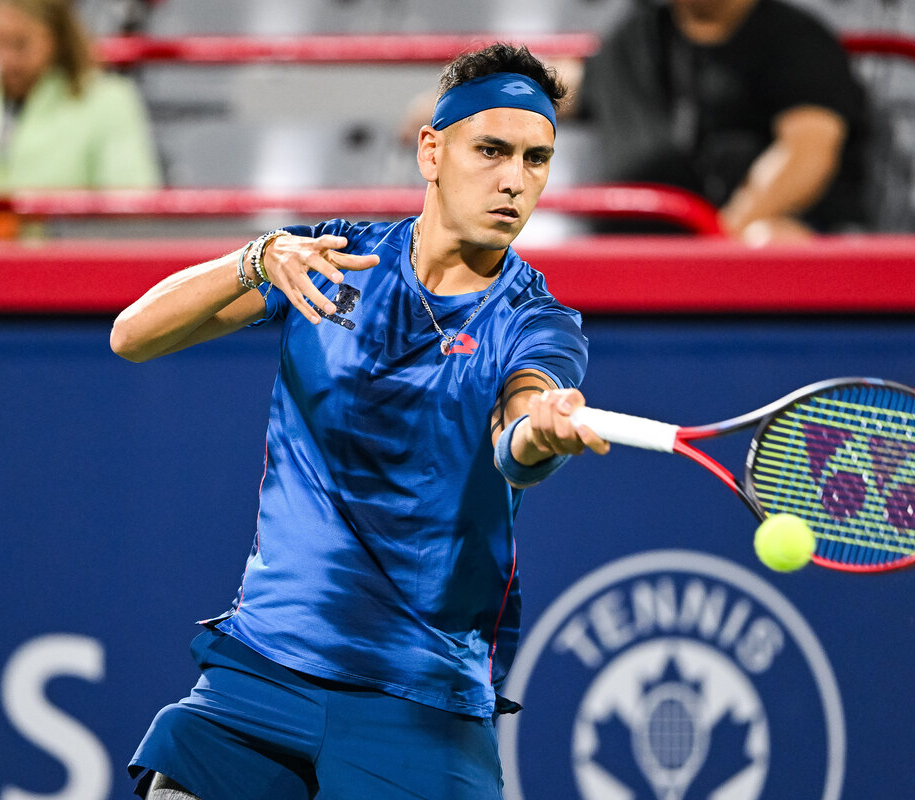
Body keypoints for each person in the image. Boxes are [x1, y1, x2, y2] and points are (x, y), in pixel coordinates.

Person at [110, 43, 609, 800]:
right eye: (492, 150)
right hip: (264, 666)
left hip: (419, 697)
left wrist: (538, 433)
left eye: (535, 159)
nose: (515, 179)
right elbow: (133, 336)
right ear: (431, 152)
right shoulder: (334, 263)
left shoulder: (535, 323)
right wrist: (257, 257)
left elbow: (518, 437)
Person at [573, 0, 872, 243]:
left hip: (773, 238)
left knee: (769, 242)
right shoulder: (636, 38)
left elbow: (807, 155)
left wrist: (718, 241)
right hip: (652, 250)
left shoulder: (797, 41)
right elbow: (568, 88)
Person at [0, 0, 161, 244]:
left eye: (21, 43)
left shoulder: (108, 101)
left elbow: (133, 207)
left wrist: (40, 227)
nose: (7, 58)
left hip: (64, 260)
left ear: (56, 39)